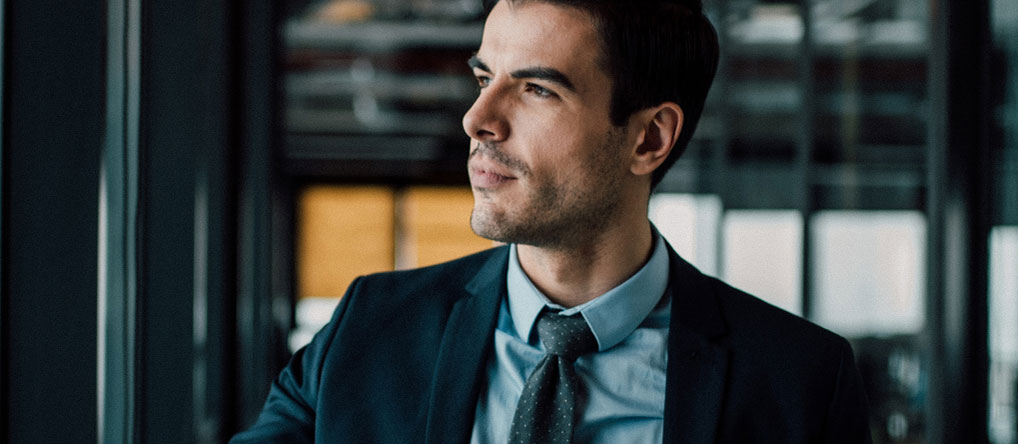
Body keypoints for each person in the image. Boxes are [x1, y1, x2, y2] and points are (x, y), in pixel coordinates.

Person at [230, 0, 871, 442]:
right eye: (485, 76)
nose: (478, 118)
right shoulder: (370, 327)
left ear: (649, 138)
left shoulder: (799, 383)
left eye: (537, 90)